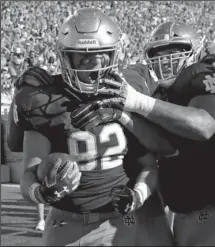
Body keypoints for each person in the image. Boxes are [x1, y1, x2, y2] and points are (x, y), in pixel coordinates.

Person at [77, 21, 215, 246]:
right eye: (160, 53)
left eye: (175, 52)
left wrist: (136, 101)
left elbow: (204, 126)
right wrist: (123, 113)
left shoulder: (205, 73)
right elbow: (166, 146)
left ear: (195, 51)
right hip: (184, 215)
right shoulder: (162, 93)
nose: (166, 60)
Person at [12, 8, 174, 246]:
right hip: (66, 222)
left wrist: (136, 197)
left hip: (121, 221)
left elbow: (151, 162)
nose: (91, 65)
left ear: (113, 56)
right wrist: (40, 192)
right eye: (82, 57)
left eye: (100, 56)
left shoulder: (127, 92)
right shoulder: (44, 100)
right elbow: (29, 173)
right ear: (65, 57)